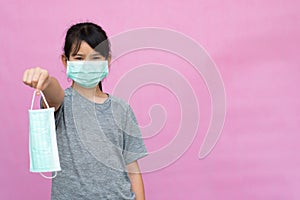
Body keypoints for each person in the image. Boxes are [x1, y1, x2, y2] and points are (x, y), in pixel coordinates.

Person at [23, 22, 148, 200]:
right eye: (79, 58)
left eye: (95, 58)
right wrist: (45, 80)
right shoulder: (61, 103)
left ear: (108, 60)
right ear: (66, 61)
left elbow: (133, 168)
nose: (87, 65)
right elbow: (53, 92)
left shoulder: (122, 109)